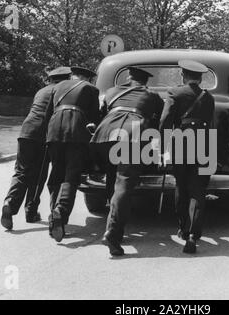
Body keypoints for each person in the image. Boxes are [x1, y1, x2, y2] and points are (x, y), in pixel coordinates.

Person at [90, 66, 164, 256]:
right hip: (131, 134)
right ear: (145, 81)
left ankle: (111, 215)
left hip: (104, 135)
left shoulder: (112, 91)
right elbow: (158, 121)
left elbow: (102, 112)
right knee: (124, 183)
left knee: (111, 176)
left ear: (128, 78)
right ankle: (112, 233)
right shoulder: (152, 95)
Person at [1, 66, 72, 230]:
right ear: (66, 78)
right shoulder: (62, 91)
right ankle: (31, 211)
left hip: (26, 131)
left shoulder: (40, 91)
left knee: (21, 171)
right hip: (43, 134)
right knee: (39, 175)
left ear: (51, 79)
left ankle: (9, 203)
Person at [159, 60, 215, 254]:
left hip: (181, 142)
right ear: (200, 79)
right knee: (198, 191)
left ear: (183, 75)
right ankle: (193, 234)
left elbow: (165, 122)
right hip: (205, 144)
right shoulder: (208, 97)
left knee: (181, 187)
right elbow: (210, 123)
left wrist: (163, 150)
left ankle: (183, 229)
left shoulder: (174, 93)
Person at [44, 66, 100, 242]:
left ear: (72, 76)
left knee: (56, 174)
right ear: (87, 78)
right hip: (76, 131)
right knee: (71, 175)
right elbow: (94, 117)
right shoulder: (91, 89)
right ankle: (60, 211)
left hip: (54, 130)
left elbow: (47, 114)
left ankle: (55, 217)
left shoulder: (57, 87)